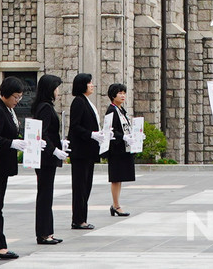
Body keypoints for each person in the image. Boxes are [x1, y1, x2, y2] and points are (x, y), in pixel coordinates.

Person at [0, 77, 35, 260]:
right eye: (16, 97)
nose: (18, 101)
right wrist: (11, 143)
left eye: (20, 97)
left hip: (1, 168)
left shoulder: (9, 110)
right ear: (5, 94)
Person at [32, 74, 68, 245]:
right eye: (56, 88)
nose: (58, 92)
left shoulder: (44, 106)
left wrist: (61, 143)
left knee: (46, 195)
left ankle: (47, 232)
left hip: (47, 157)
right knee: (45, 195)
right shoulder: (45, 108)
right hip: (45, 158)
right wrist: (54, 150)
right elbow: (44, 133)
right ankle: (44, 233)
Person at [68, 73, 107, 230]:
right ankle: (78, 219)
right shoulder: (78, 102)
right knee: (80, 186)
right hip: (80, 151)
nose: (92, 85)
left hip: (88, 151)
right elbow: (75, 126)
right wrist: (91, 134)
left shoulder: (86, 101)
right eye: (89, 82)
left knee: (86, 185)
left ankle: (82, 217)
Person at [106, 83, 136, 217]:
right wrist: (123, 136)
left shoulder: (121, 109)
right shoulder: (112, 110)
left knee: (119, 178)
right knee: (116, 177)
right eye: (120, 93)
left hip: (123, 148)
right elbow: (111, 130)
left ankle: (116, 204)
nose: (123, 96)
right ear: (113, 95)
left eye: (124, 93)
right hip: (116, 149)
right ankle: (116, 205)